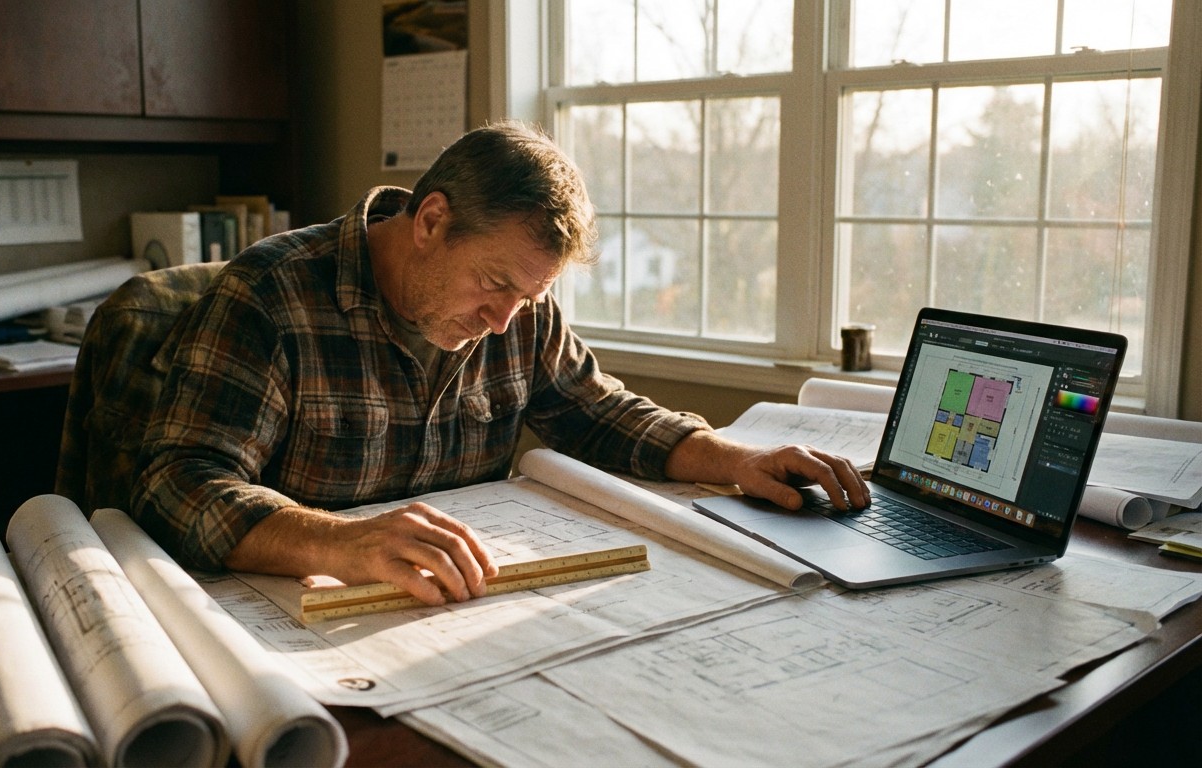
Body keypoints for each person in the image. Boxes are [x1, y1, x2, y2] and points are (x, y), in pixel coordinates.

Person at [130, 120, 869, 606]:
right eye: (493, 284)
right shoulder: (270, 297)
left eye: (529, 295)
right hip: (298, 619)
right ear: (430, 221)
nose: (503, 321)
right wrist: (335, 540)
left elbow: (598, 411)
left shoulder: (518, 309)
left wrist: (732, 459)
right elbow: (178, 483)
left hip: (456, 614)